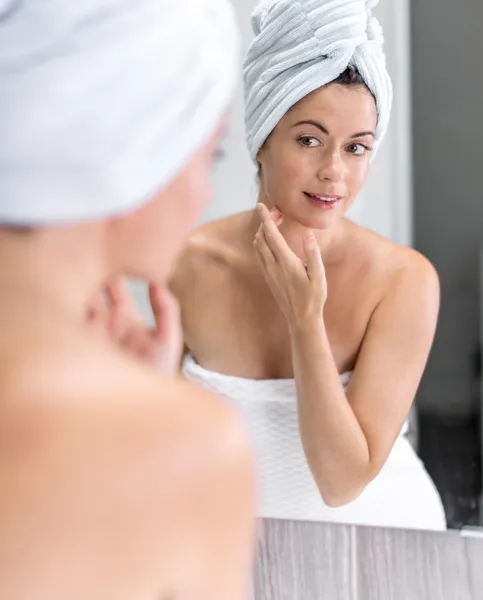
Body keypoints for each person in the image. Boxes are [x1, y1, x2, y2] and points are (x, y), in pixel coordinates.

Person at [0, 1, 256, 598]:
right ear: (134, 147)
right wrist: (149, 406)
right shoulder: (184, 446)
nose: (206, 193)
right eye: (208, 154)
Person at [172, 0, 447, 530]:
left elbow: (340, 483)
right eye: (309, 139)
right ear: (261, 139)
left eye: (357, 148)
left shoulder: (402, 282)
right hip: (227, 556)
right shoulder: (188, 263)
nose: (334, 172)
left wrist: (305, 322)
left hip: (381, 554)